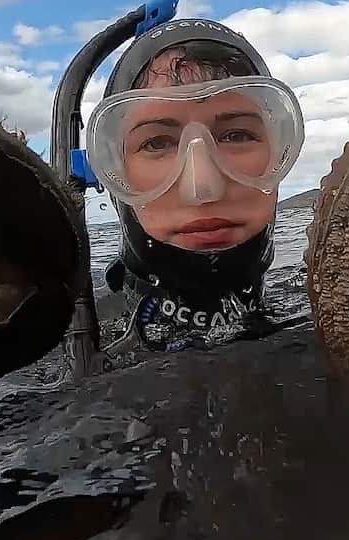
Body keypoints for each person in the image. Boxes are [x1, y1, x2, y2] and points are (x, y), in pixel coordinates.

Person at [85, 19, 305, 355]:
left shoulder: (343, 306)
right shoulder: (69, 347)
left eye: (237, 136)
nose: (203, 187)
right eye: (158, 143)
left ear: (278, 151)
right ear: (115, 170)